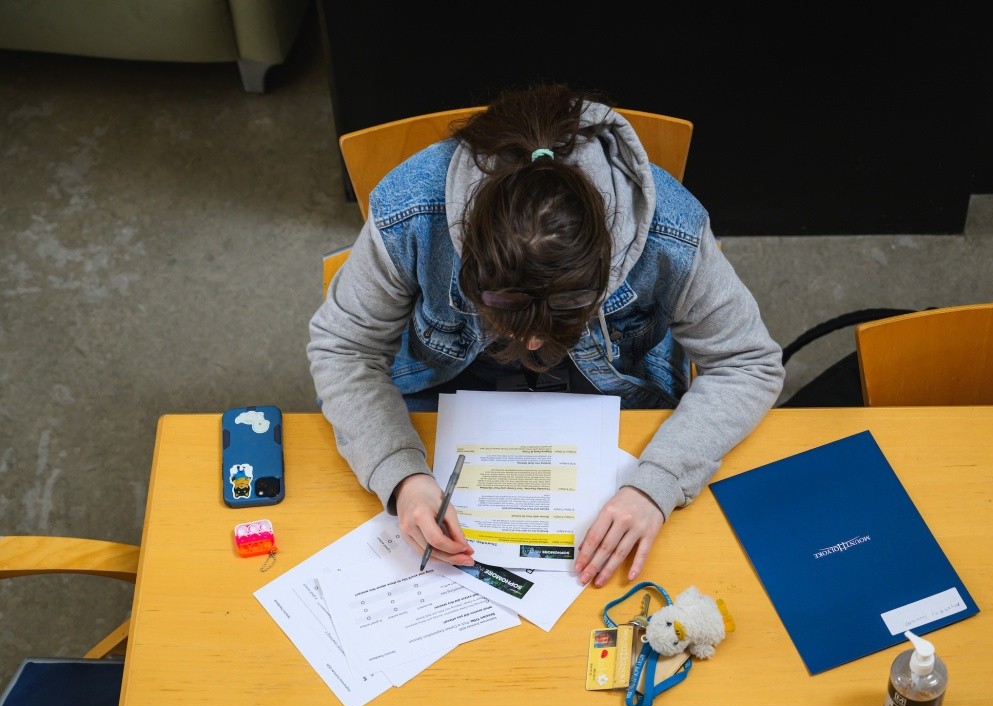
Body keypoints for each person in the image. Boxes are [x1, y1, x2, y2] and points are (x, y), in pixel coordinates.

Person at [308, 84, 784, 587]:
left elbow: (747, 363)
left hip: (620, 409)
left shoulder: (673, 231)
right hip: (441, 402)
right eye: (509, 315)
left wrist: (656, 484)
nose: (533, 346)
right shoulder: (410, 211)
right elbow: (345, 348)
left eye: (563, 317)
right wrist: (401, 475)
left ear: (604, 269)